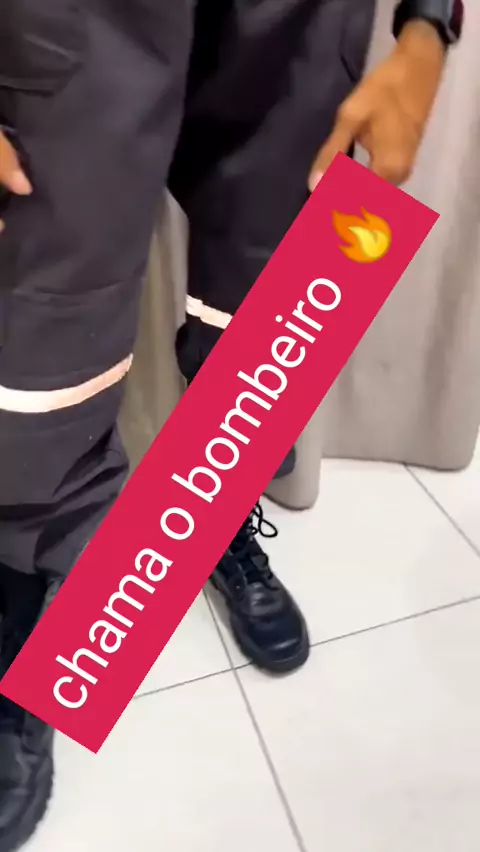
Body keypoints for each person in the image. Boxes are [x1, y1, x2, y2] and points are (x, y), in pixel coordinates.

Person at [0, 0, 464, 848]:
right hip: (72, 23)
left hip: (294, 25)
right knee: (39, 361)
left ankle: (214, 521)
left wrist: (429, 25)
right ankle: (15, 618)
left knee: (264, 313)